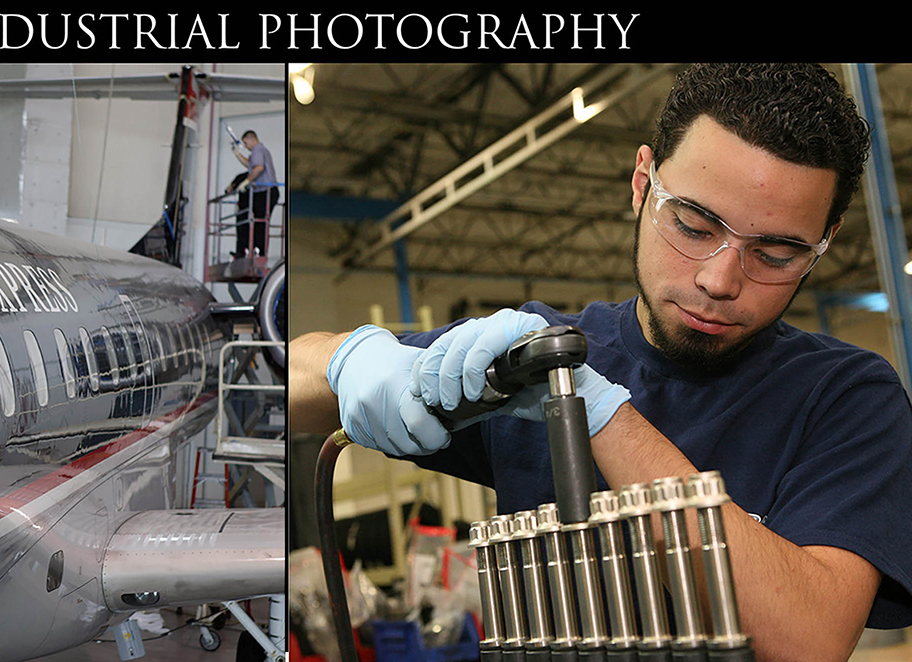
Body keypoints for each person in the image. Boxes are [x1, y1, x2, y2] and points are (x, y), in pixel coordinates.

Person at [290, 64, 912, 662]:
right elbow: (279, 382)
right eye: (693, 226)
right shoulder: (539, 353)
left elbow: (807, 641)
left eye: (776, 254)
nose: (720, 280)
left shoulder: (848, 398)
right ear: (642, 183)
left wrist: (600, 416)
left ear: (824, 241)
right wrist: (354, 361)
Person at [227, 129, 278, 257]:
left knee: (260, 223)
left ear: (251, 139)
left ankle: (259, 251)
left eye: (245, 143)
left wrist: (247, 181)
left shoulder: (257, 150)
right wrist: (237, 154)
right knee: (258, 222)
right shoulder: (261, 151)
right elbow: (250, 165)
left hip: (265, 191)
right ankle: (256, 250)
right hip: (265, 192)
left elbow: (258, 168)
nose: (245, 146)